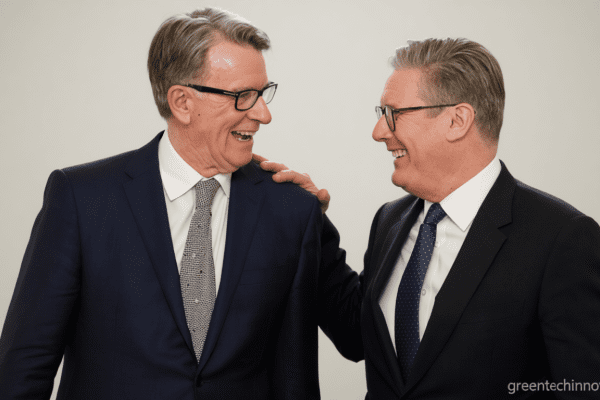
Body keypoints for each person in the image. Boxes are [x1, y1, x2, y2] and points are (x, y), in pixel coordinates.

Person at [0, 8, 362, 399]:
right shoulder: (81, 199)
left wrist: (313, 222)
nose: (263, 114)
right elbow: (24, 368)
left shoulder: (291, 210)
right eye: (243, 96)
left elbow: (358, 337)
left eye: (263, 93)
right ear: (182, 102)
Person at [264, 38, 600, 398]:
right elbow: (356, 335)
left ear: (457, 121)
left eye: (393, 113)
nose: (378, 132)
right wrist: (310, 225)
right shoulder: (390, 220)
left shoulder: (562, 239)